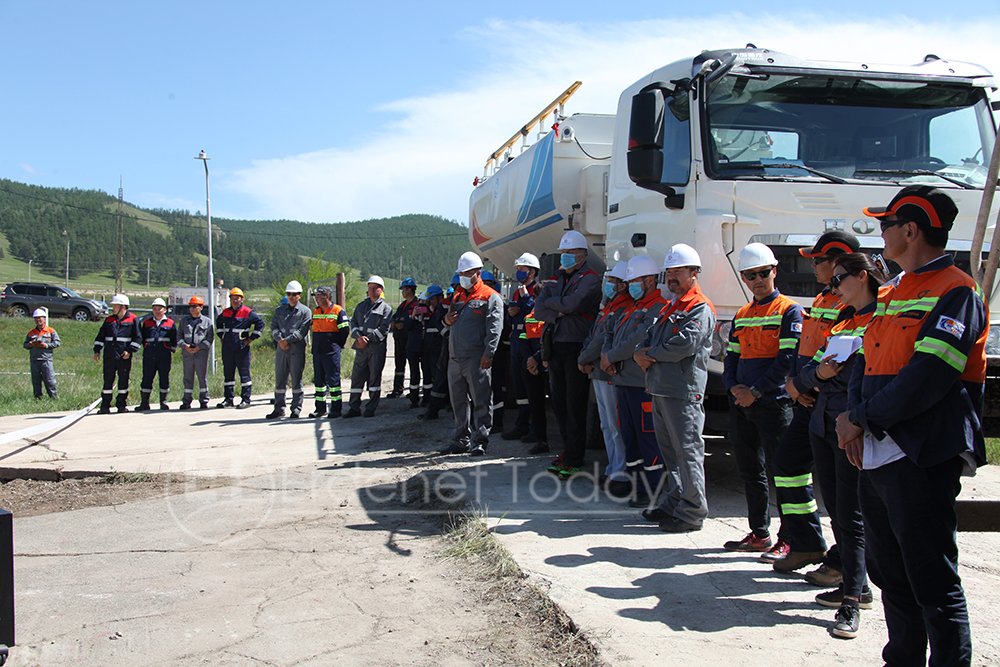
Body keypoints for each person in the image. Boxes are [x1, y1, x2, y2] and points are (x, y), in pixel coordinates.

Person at [836, 186, 986, 663]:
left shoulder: (957, 290)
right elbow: (865, 357)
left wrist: (860, 417)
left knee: (931, 580)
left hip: (920, 451)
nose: (878, 233)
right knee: (891, 576)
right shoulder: (897, 289)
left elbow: (930, 375)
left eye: (885, 225)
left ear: (910, 230)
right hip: (878, 450)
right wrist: (853, 416)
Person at [796, 252, 881, 639]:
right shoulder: (844, 321)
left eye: (839, 280)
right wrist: (820, 373)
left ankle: (852, 603)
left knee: (852, 515)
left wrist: (824, 378)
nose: (833, 288)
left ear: (862, 277)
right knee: (837, 510)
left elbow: (871, 378)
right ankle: (856, 584)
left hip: (851, 426)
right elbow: (809, 369)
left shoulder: (882, 320)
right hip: (823, 424)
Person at [768, 231, 859, 571]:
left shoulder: (852, 302)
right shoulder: (823, 298)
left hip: (826, 400)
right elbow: (808, 349)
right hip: (806, 395)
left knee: (842, 493)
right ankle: (806, 542)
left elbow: (842, 357)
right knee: (788, 465)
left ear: (837, 261)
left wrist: (810, 386)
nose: (813, 265)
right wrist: (794, 383)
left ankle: (845, 563)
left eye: (818, 259)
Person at [722, 243, 803, 552]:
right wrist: (733, 389)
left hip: (773, 404)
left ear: (774, 271)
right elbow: (731, 358)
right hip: (742, 404)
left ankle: (789, 537)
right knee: (750, 471)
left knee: (781, 473)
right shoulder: (742, 315)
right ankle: (759, 532)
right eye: (750, 275)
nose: (757, 280)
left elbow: (786, 360)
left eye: (762, 273)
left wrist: (754, 391)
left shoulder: (789, 310)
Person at [634, 244, 716, 533]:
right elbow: (648, 337)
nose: (671, 277)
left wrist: (650, 355)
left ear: (694, 273)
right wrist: (640, 352)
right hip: (660, 387)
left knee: (688, 451)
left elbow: (685, 344)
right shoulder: (672, 306)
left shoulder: (699, 307)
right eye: (669, 272)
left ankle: (693, 512)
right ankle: (675, 501)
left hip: (682, 391)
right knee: (671, 453)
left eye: (678, 272)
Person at [533, 230, 601, 475]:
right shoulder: (557, 278)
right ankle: (567, 450)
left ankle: (574, 456)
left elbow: (574, 304)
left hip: (576, 346)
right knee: (559, 404)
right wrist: (558, 310)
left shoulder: (591, 279)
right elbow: (539, 309)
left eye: (571, 253)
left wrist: (558, 306)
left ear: (582, 255)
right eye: (563, 253)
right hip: (557, 346)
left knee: (575, 404)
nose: (565, 257)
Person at [601, 255, 667, 488]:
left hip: (641, 384)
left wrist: (611, 356)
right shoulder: (633, 308)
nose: (631, 287)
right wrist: (608, 354)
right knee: (630, 437)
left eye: (635, 281)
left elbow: (637, 340)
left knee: (647, 438)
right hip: (623, 381)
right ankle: (634, 483)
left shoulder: (657, 308)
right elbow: (613, 333)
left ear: (650, 280)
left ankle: (651, 488)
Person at [438, 251, 504, 456]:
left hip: (477, 357)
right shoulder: (458, 295)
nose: (462, 277)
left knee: (481, 399)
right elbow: (448, 321)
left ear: (477, 272)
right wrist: (446, 320)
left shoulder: (490, 296)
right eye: (461, 273)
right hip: (455, 357)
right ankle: (461, 439)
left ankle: (480, 440)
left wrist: (489, 353)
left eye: (466, 273)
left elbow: (495, 328)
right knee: (458, 400)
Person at [578, 261, 630, 493]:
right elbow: (593, 335)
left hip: (609, 372)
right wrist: (586, 356)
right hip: (598, 370)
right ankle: (613, 467)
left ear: (622, 285)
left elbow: (602, 340)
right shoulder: (608, 306)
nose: (608, 285)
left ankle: (621, 471)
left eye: (613, 282)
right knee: (606, 424)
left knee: (615, 424)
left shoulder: (621, 308)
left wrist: (584, 358)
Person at [502, 252, 542, 442]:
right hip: (517, 341)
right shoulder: (517, 291)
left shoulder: (537, 290)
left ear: (532, 272)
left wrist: (525, 301)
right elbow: (515, 315)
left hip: (531, 344)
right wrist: (511, 312)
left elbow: (537, 312)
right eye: (517, 269)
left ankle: (536, 428)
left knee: (532, 388)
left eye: (522, 269)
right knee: (518, 387)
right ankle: (521, 425)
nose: (518, 272)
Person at [346, 276, 394, 418]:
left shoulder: (386, 309)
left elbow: (384, 329)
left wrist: (368, 338)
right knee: (357, 378)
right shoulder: (361, 306)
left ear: (381, 289)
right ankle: (354, 408)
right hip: (361, 348)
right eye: (370, 288)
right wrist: (358, 337)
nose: (372, 291)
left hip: (376, 349)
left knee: (374, 379)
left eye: (375, 288)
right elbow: (353, 322)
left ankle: (370, 408)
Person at [267, 280, 312, 419]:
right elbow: (273, 327)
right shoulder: (279, 311)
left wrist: (287, 340)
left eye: (294, 294)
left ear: (299, 295)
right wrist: (279, 340)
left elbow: (302, 331)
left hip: (296, 350)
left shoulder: (305, 311)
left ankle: (296, 408)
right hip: (281, 349)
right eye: (289, 294)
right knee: (280, 379)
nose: (292, 297)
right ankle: (279, 408)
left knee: (296, 380)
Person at [216, 287, 265, 409]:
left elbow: (260, 324)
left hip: (241, 348)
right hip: (227, 348)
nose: (235, 300)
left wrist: (251, 338)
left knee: (244, 374)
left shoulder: (248, 312)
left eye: (237, 298)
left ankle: (246, 399)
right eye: (233, 298)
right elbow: (218, 324)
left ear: (242, 299)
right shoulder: (225, 312)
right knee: (228, 374)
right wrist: (221, 336)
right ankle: (228, 399)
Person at [92, 293, 142, 414]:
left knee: (123, 381)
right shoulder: (109, 320)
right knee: (108, 380)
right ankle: (105, 406)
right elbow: (101, 336)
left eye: (115, 306)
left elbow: (138, 338)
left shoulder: (133, 319)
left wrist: (129, 351)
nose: (113, 308)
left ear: (123, 307)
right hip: (109, 355)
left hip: (123, 356)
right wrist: (97, 350)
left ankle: (121, 405)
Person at [308, 286, 350, 419]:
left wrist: (338, 345)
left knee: (333, 382)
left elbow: (345, 331)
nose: (316, 299)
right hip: (318, 352)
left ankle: (336, 409)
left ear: (326, 296)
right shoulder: (316, 311)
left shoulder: (338, 311)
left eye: (318, 296)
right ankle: (320, 409)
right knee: (319, 383)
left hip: (331, 352)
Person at [482, 270, 511, 433]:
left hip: (498, 352)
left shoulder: (501, 304)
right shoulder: (479, 305)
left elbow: (506, 329)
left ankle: (497, 421)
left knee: (496, 386)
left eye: (489, 284)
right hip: (484, 351)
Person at [136, 298, 178, 411]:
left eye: (159, 309)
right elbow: (143, 337)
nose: (157, 311)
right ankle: (144, 403)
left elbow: (175, 339)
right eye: (154, 309)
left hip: (164, 356)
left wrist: (171, 349)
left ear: (164, 310)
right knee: (146, 378)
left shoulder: (170, 323)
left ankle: (163, 402)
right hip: (149, 355)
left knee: (164, 378)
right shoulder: (147, 323)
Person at [179, 295, 214, 410]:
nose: (192, 309)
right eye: (191, 306)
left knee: (202, 377)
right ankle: (186, 401)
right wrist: (185, 346)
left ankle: (204, 400)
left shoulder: (208, 322)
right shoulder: (184, 321)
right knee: (187, 377)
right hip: (187, 353)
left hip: (201, 354)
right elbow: (179, 337)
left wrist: (200, 347)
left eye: (195, 306)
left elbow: (209, 339)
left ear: (201, 307)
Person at [388, 277, 418, 399]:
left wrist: (403, 325)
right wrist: (394, 323)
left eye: (404, 289)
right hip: (399, 339)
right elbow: (394, 317)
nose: (402, 292)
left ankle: (414, 392)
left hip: (410, 339)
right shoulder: (402, 305)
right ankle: (397, 389)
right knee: (399, 365)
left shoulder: (417, 305)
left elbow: (415, 322)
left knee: (413, 366)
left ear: (410, 290)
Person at [418, 284, 445, 408]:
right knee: (427, 373)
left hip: (438, 347)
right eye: (430, 299)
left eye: (433, 299)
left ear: (440, 298)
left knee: (437, 375)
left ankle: (438, 402)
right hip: (427, 347)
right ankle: (427, 398)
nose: (431, 302)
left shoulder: (443, 310)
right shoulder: (428, 310)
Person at [24, 307, 60, 399]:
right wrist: (31, 344)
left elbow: (57, 343)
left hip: (46, 360)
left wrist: (46, 345)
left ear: (44, 319)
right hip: (34, 360)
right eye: (36, 318)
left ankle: (54, 398)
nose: (38, 320)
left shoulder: (51, 331)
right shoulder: (31, 333)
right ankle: (37, 399)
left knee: (50, 380)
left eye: (40, 318)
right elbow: (25, 345)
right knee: (36, 381)